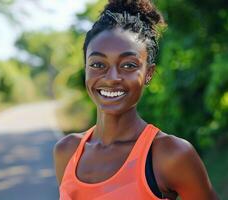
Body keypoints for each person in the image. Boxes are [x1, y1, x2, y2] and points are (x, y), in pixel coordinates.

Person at [53, 0, 218, 199]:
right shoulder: (67, 151)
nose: (112, 77)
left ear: (148, 73)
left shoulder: (169, 155)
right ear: (86, 67)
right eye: (98, 64)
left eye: (128, 65)